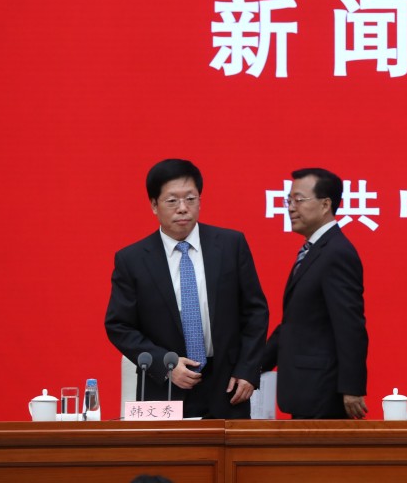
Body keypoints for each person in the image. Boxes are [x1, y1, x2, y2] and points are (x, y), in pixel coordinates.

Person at [105, 159, 269, 418]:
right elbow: (119, 325)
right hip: (163, 386)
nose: (183, 208)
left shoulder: (230, 245)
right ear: (154, 205)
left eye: (190, 199)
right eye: (172, 201)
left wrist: (248, 370)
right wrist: (165, 364)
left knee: (228, 456)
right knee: (168, 458)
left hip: (228, 385)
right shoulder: (132, 259)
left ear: (200, 201)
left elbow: (255, 312)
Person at [260, 168, 369, 419]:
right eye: (288, 200)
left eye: (298, 200)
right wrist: (251, 366)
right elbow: (294, 323)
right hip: (305, 389)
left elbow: (350, 325)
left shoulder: (337, 253)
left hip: (323, 391)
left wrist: (352, 388)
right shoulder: (314, 250)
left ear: (325, 204)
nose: (290, 208)